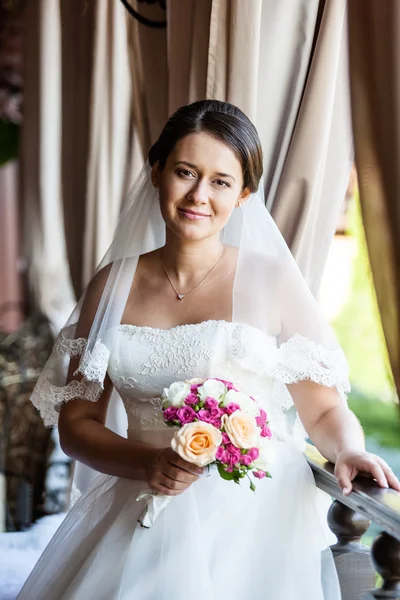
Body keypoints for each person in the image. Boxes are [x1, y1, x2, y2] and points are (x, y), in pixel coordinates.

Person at [18, 100, 400, 600]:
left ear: (243, 194)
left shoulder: (274, 280)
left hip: (255, 519)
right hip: (145, 503)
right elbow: (78, 424)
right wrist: (147, 465)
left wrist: (349, 449)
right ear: (157, 173)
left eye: (221, 181)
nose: (200, 195)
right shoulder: (112, 285)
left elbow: (324, 405)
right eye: (185, 172)